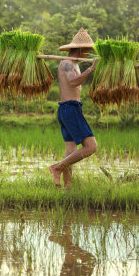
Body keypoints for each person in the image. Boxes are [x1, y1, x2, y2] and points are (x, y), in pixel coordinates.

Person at [48, 28, 98, 189]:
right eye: (87, 51)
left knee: (70, 152)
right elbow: (73, 82)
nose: (88, 55)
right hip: (70, 109)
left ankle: (68, 188)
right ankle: (57, 168)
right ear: (80, 49)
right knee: (91, 147)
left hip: (66, 109)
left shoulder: (72, 64)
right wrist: (91, 69)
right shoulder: (68, 64)